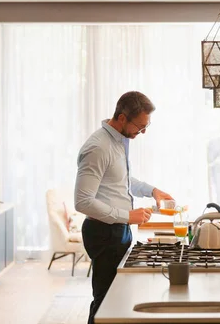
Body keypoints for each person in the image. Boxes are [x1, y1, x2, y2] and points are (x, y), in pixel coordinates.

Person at [74, 91, 174, 324]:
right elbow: (82, 201)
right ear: (121, 118)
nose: (142, 132)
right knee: (106, 302)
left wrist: (152, 191)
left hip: (118, 229)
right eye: (139, 127)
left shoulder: (118, 142)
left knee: (117, 300)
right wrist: (127, 215)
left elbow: (121, 180)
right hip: (103, 233)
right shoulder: (98, 147)